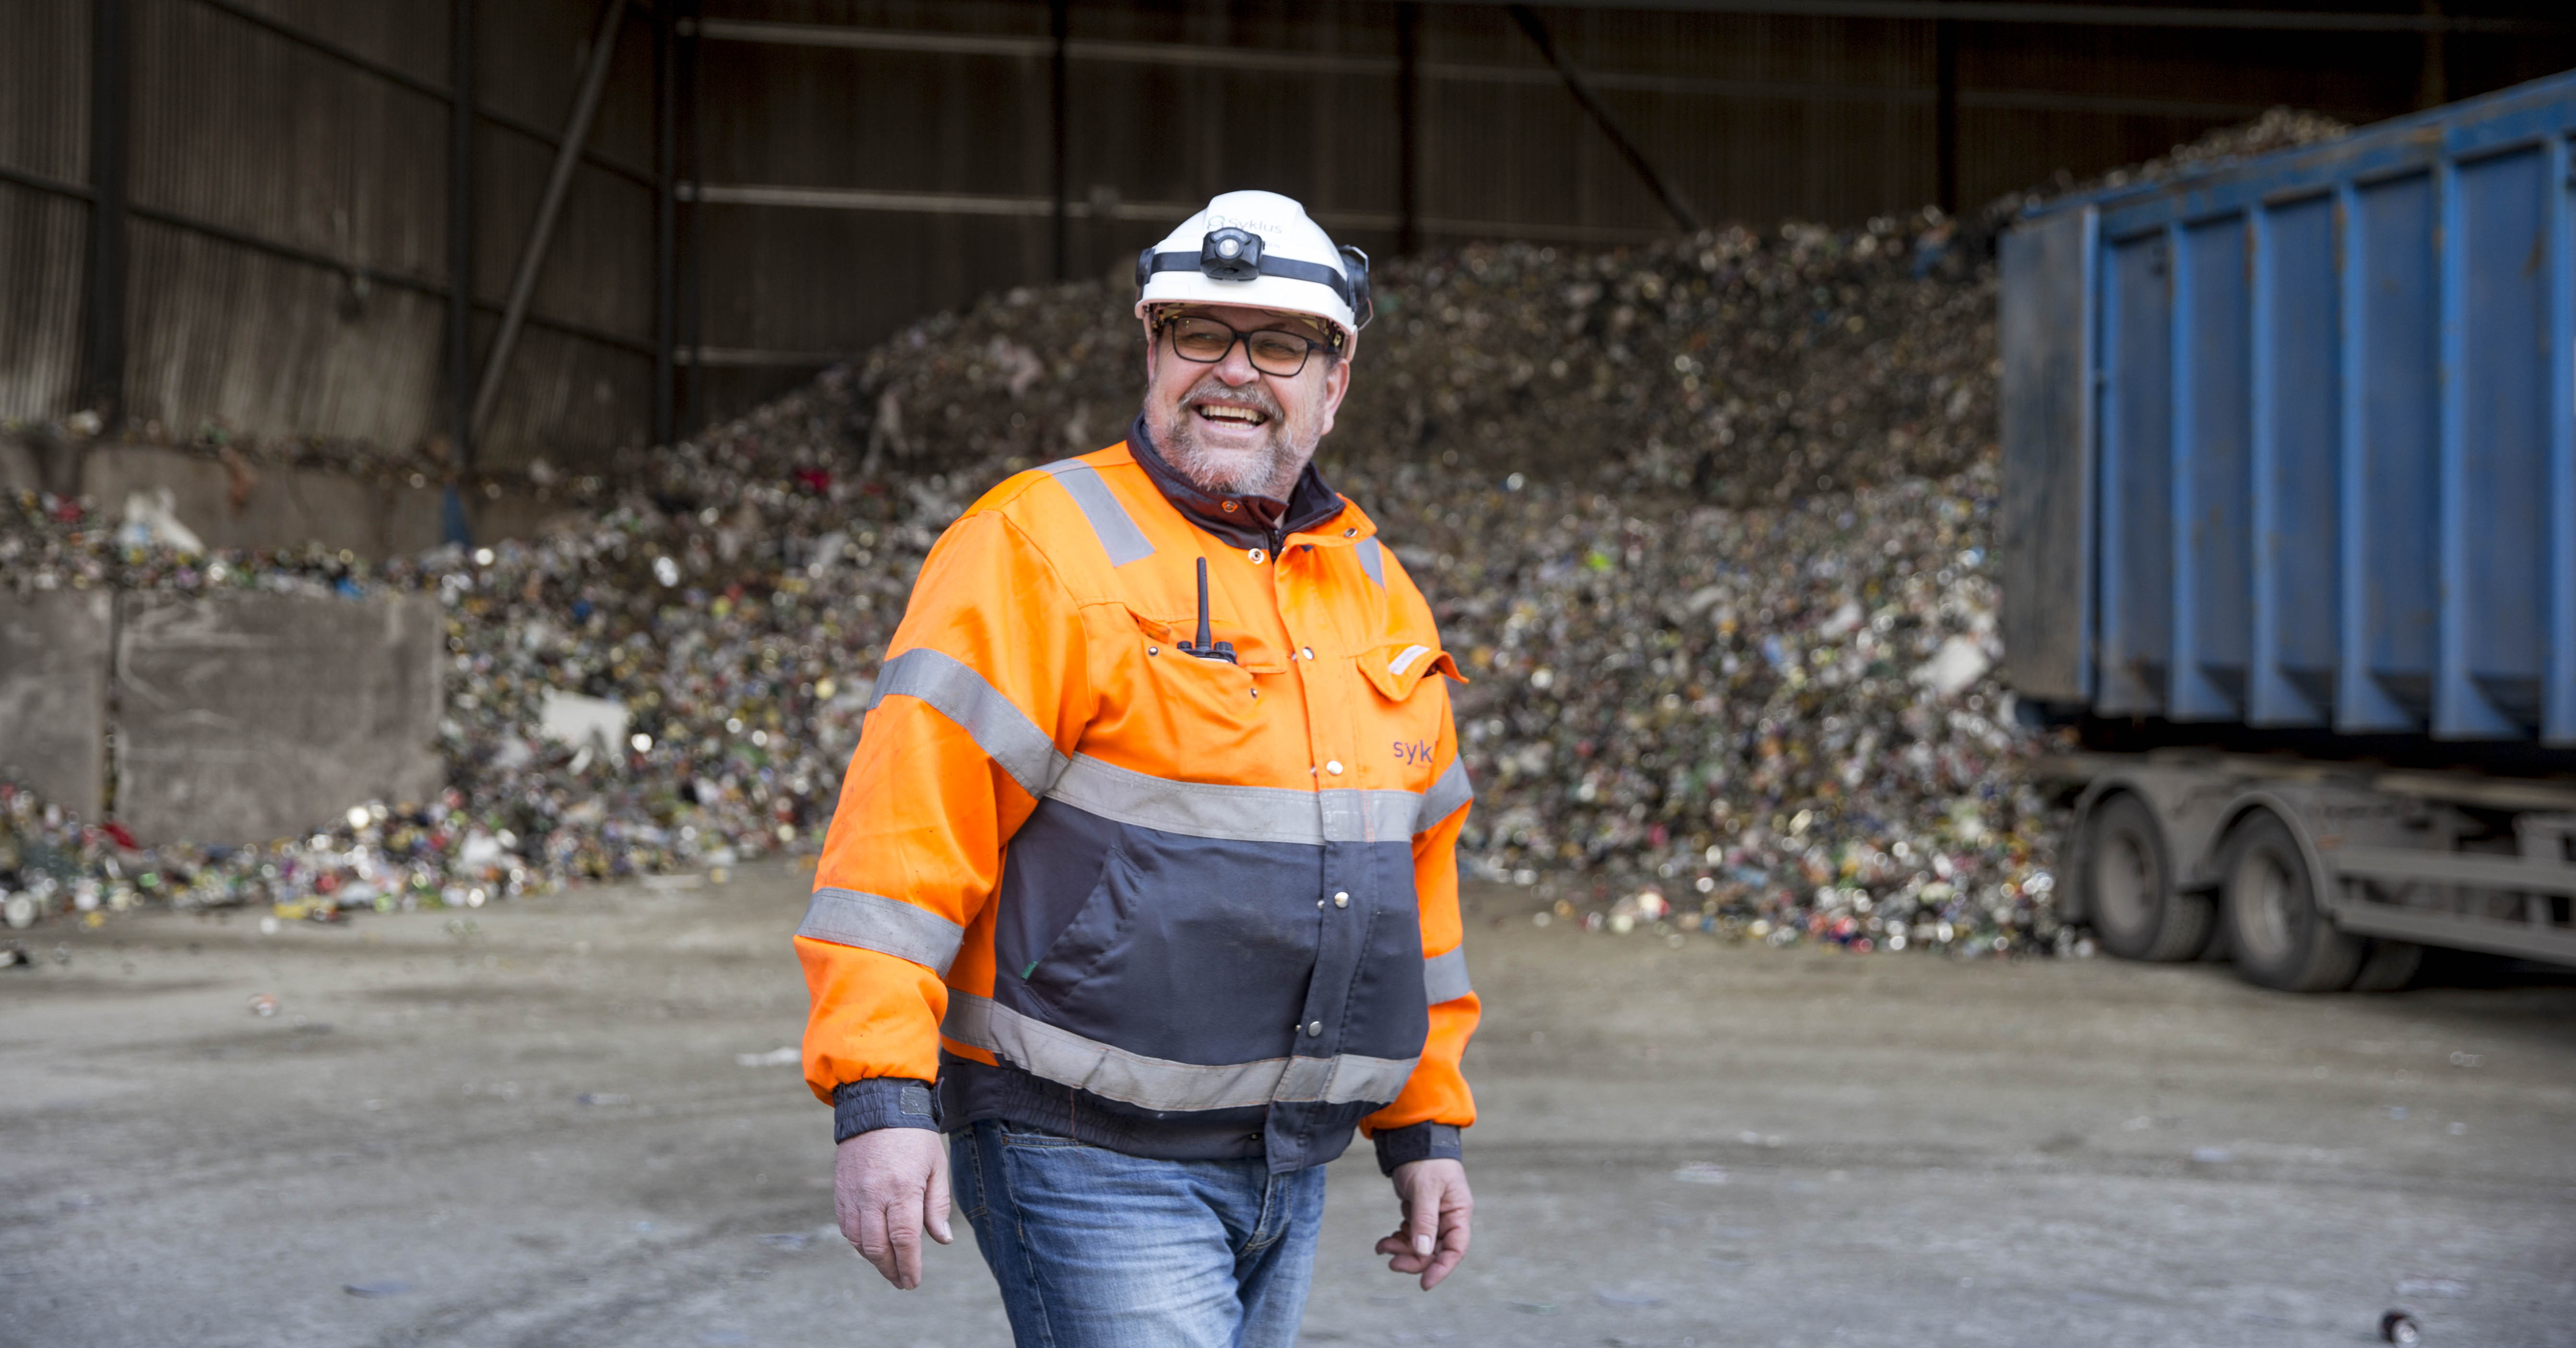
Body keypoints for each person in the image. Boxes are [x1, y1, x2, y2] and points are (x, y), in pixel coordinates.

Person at [795, 189, 1479, 1346]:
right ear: (1153, 349)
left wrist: (1424, 1127)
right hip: (1086, 1148)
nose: (1234, 374)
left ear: (1335, 379)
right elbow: (904, 838)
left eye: (1278, 344)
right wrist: (879, 1094)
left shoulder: (1371, 584)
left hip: (1288, 1160)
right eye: (1200, 334)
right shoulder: (1035, 546)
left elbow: (1415, 882)